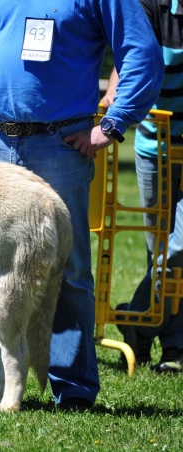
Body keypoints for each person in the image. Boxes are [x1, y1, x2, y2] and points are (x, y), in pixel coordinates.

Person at [0, 0, 164, 409]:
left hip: (61, 145)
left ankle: (73, 387)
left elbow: (142, 52)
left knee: (69, 267)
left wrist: (112, 125)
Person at [100, 0, 183, 374]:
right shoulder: (152, 5)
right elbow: (131, 56)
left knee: (177, 250)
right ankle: (173, 345)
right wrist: (114, 97)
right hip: (155, 147)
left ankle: (135, 318)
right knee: (159, 253)